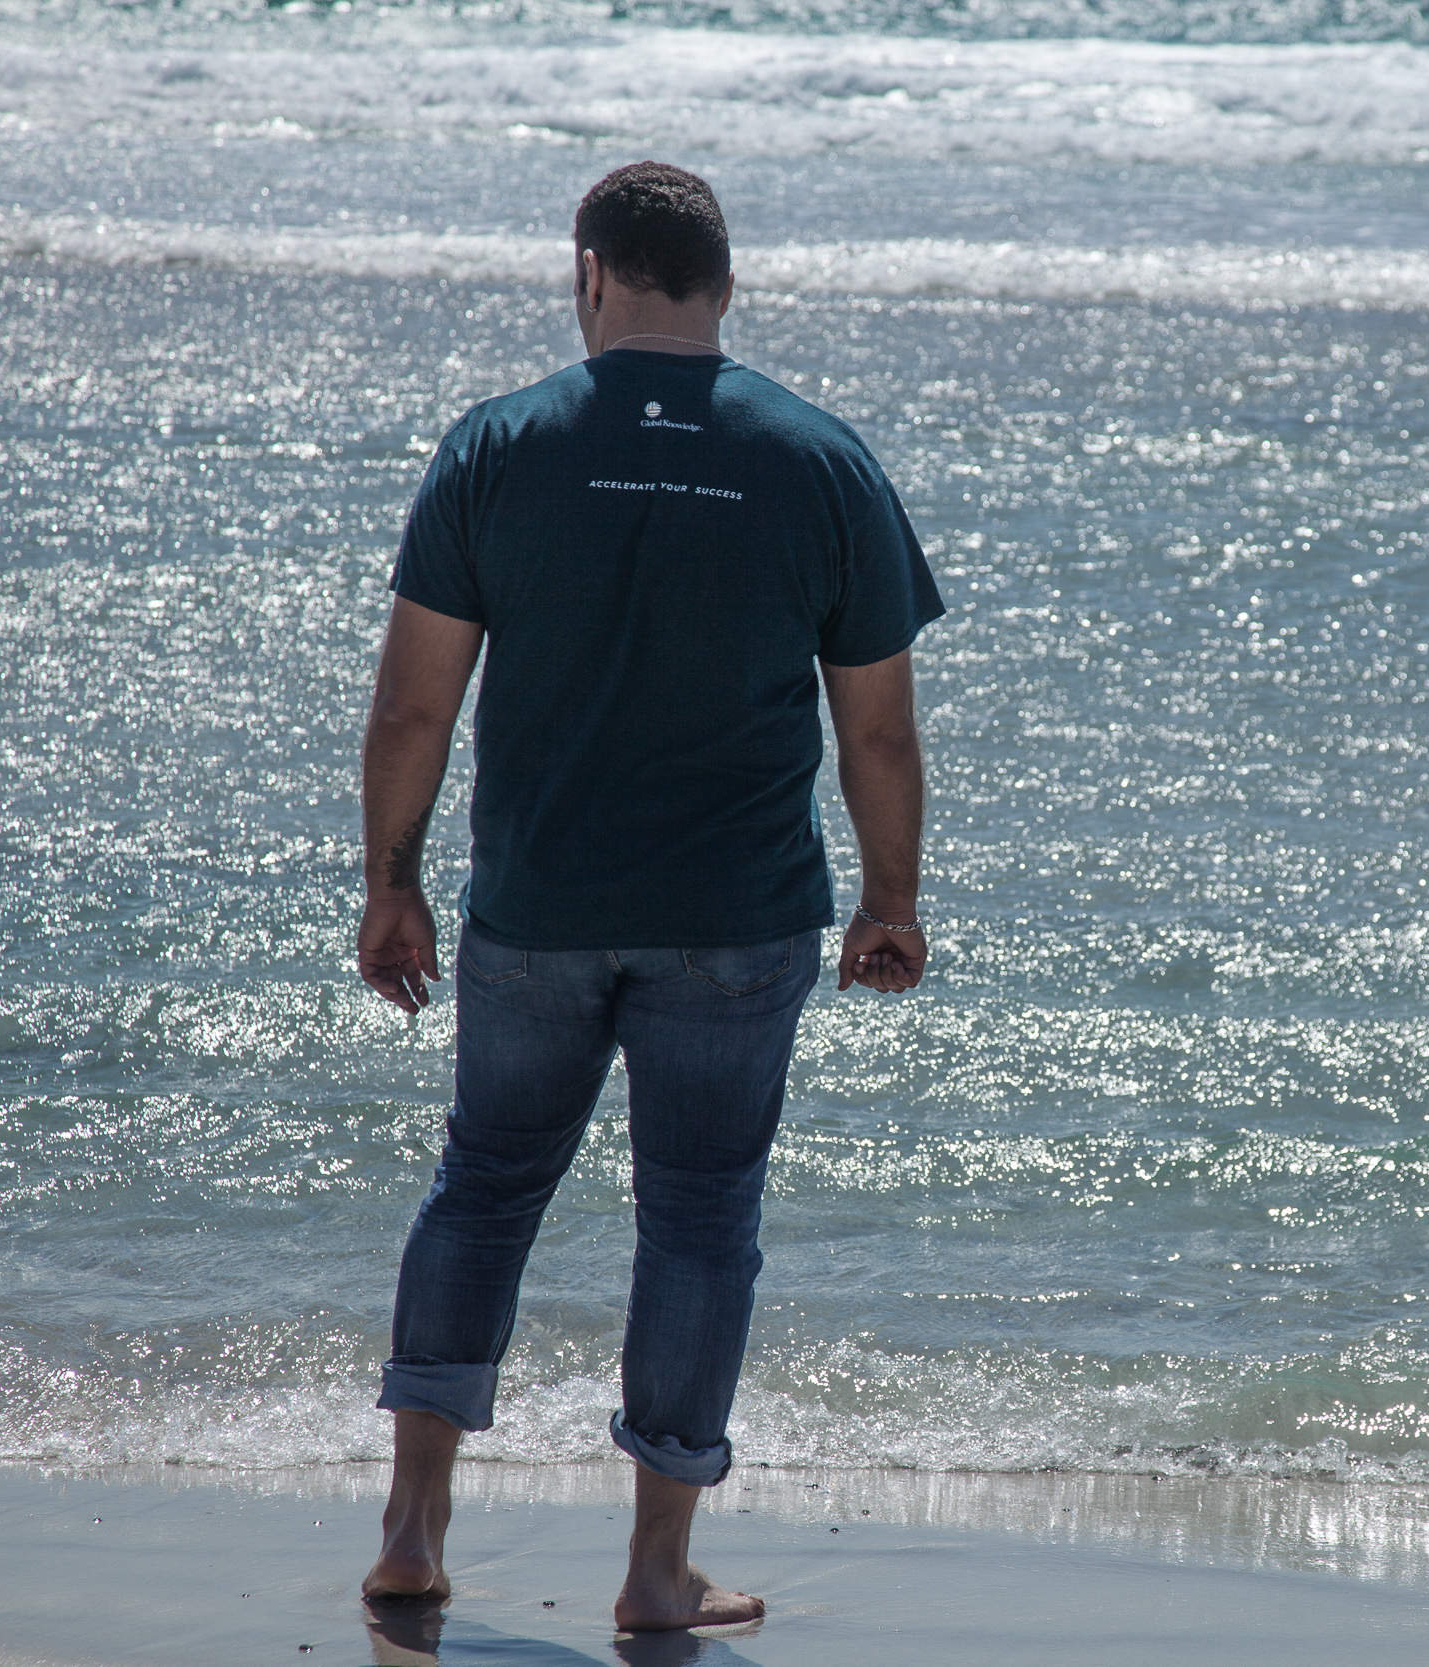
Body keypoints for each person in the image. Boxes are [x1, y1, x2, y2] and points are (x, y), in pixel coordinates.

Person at [350, 160, 943, 1630]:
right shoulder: (822, 460)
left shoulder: (499, 444)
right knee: (698, 1221)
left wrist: (389, 881)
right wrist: (890, 902)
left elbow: (415, 705)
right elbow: (876, 733)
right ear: (726, 290)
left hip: (534, 908)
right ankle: (656, 1571)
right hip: (735, 919)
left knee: (486, 1187)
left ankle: (414, 1532)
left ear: (590, 274)